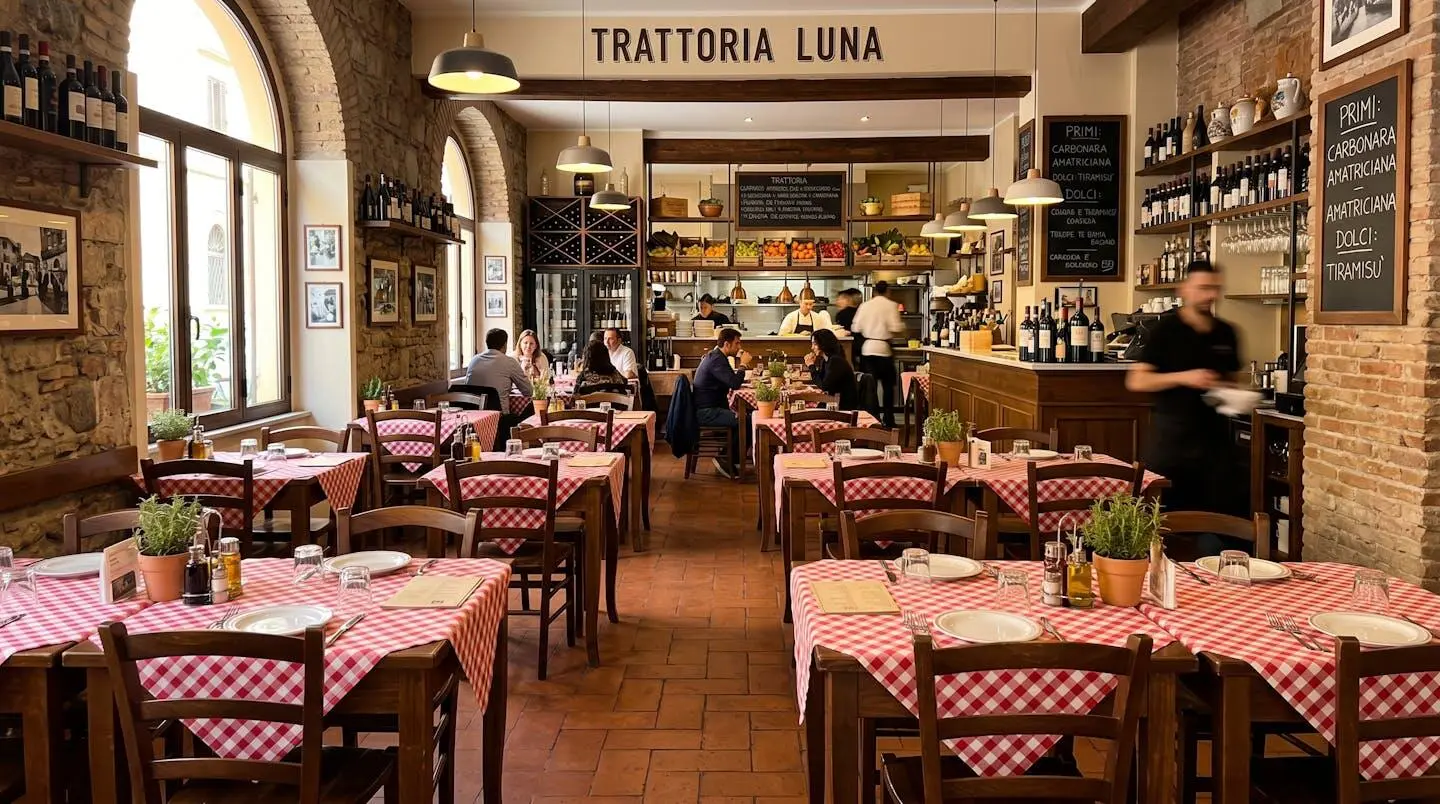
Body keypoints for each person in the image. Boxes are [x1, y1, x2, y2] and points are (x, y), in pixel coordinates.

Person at [1126, 260, 1243, 530]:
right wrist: (1184, 377)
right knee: (1163, 526)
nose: (1210, 295)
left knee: (1219, 526)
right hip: (1171, 444)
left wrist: (1233, 393)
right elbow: (1137, 380)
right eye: (1202, 288)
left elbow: (1232, 381)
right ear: (1184, 290)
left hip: (1215, 444)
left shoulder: (1227, 332)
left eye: (1214, 288)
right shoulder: (1165, 330)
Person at [692, 328, 754, 478]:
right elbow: (734, 383)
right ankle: (725, 459)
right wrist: (743, 365)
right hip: (707, 412)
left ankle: (729, 456)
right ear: (727, 344)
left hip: (710, 407)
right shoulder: (717, 360)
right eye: (737, 343)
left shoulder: (716, 357)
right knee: (746, 420)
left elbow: (729, 380)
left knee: (749, 415)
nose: (739, 347)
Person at [850, 281, 904, 427]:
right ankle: (889, 419)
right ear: (888, 291)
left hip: (867, 349)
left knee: (869, 387)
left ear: (874, 292)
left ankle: (872, 419)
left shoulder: (864, 306)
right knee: (888, 388)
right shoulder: (891, 305)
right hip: (884, 349)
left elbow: (855, 327)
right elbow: (896, 327)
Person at [805, 328, 858, 409]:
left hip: (842, 406)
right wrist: (813, 365)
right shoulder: (825, 359)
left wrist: (811, 366)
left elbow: (824, 386)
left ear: (824, 344)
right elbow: (820, 381)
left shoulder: (835, 361)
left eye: (815, 344)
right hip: (832, 402)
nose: (812, 348)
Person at [831, 288, 865, 363]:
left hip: (849, 349)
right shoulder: (861, 311)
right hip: (863, 349)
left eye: (840, 299)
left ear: (848, 299)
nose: (837, 302)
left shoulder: (842, 314)